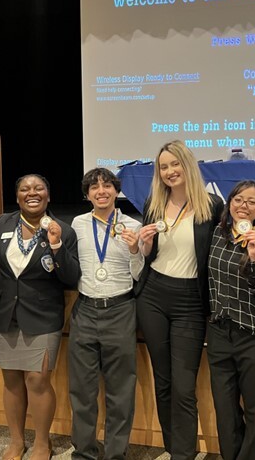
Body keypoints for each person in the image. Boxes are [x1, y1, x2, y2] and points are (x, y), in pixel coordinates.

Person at [135, 140, 224, 460]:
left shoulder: (212, 206)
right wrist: (143, 244)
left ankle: (185, 454)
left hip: (191, 301)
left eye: (175, 164)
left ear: (188, 165)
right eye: (163, 167)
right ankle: (173, 448)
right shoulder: (154, 204)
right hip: (154, 296)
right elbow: (148, 255)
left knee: (184, 386)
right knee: (163, 380)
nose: (170, 171)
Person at [0, 174, 80, 460]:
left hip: (43, 315)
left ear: (48, 196)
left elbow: (71, 278)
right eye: (25, 189)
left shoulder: (62, 230)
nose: (32, 192)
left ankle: (42, 443)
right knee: (12, 381)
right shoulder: (2, 226)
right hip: (6, 314)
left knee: (38, 381)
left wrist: (56, 246)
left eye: (39, 188)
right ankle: (16, 441)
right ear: (17, 197)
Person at [68, 168, 144, 460]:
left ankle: (116, 454)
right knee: (82, 390)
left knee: (121, 391)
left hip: (120, 310)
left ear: (116, 190)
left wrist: (136, 250)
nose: (101, 191)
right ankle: (84, 452)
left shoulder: (132, 226)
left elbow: (138, 275)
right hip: (85, 310)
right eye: (94, 187)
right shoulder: (77, 224)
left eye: (107, 185)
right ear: (87, 194)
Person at [206, 180, 255, 460]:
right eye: (239, 199)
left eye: (252, 202)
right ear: (229, 203)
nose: (243, 206)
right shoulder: (217, 235)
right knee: (226, 415)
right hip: (219, 334)